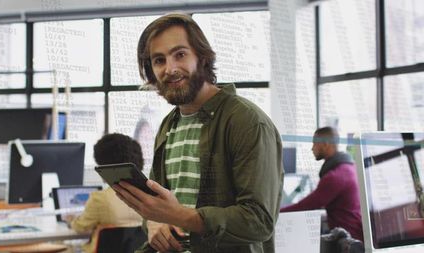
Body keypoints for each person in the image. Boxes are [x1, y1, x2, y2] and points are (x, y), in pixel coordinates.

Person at [112, 13, 283, 253]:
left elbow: (259, 221)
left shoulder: (247, 121)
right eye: (159, 60)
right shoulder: (168, 125)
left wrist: (181, 216)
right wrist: (152, 222)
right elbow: (158, 208)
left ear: (202, 57)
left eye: (180, 54)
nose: (170, 69)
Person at [280, 127, 363, 241]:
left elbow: (307, 205)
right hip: (352, 236)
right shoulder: (350, 168)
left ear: (325, 144)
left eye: (315, 143)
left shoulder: (335, 176)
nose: (312, 148)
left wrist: (276, 213)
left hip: (348, 242)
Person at [65, 133, 144, 253]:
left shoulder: (100, 199)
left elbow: (80, 227)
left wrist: (71, 220)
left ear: (106, 166)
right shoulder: (148, 197)